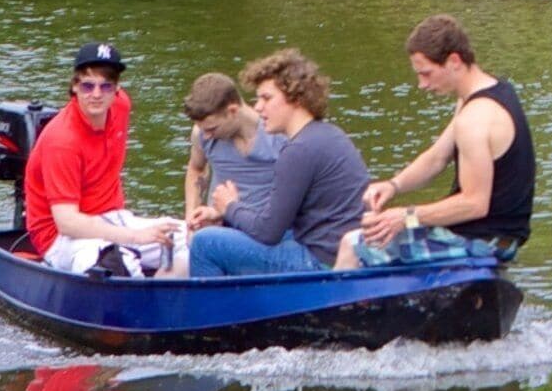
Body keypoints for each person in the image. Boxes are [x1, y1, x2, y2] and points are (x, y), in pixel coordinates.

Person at [174, 49, 374, 277]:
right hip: (343, 251)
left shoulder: (297, 150)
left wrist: (230, 207)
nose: (258, 107)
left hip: (320, 262)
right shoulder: (329, 133)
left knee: (205, 243)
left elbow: (268, 232)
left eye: (266, 98)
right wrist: (222, 214)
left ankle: (221, 302)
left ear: (295, 99)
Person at [354, 12, 535, 264]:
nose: (421, 84)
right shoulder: (486, 91)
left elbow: (475, 204)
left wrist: (406, 216)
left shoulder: (475, 119)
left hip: (486, 242)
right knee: (375, 233)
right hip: (486, 234)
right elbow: (437, 158)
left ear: (454, 61)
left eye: (426, 73)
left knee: (355, 244)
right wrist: (394, 186)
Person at [22, 40, 183, 268]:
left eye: (106, 86)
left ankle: (171, 284)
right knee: (117, 263)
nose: (96, 95)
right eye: (88, 86)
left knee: (190, 238)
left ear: (117, 88)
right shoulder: (62, 141)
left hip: (113, 217)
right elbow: (67, 222)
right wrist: (135, 237)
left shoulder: (120, 106)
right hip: (61, 237)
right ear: (75, 86)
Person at [177, 70, 284, 246]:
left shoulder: (279, 136)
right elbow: (197, 168)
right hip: (219, 228)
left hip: (264, 233)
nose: (207, 136)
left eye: (212, 129)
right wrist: (191, 217)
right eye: (203, 129)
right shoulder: (201, 134)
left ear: (233, 111)